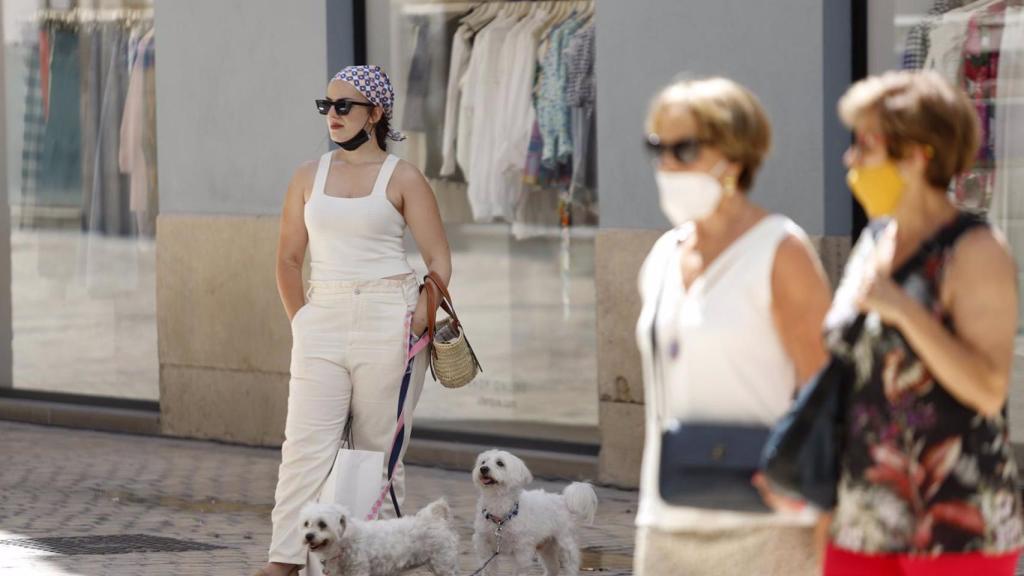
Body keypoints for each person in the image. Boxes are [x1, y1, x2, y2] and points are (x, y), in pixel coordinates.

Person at [822, 70, 1023, 576]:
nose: (851, 160)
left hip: (957, 524)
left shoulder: (975, 250)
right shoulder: (875, 242)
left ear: (917, 154)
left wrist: (905, 310)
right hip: (861, 516)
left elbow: (988, 388)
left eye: (866, 145)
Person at [256, 65, 451, 576]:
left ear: (377, 112)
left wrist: (417, 323)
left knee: (376, 455)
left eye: (345, 106)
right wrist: (304, 322)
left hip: (390, 315)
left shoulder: (403, 176)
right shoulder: (307, 175)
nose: (333, 116)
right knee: (304, 448)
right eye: (327, 107)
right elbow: (288, 260)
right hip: (322, 315)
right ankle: (284, 562)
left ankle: (376, 562)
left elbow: (438, 262)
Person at [633, 77, 832, 576]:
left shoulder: (780, 251)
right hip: (666, 521)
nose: (667, 165)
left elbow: (828, 394)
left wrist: (829, 522)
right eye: (657, 147)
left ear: (736, 157)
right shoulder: (662, 256)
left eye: (685, 149)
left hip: (767, 526)